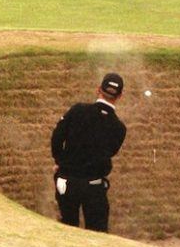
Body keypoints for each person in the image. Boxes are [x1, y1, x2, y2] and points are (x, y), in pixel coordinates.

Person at [50, 72, 127, 233]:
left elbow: (57, 137)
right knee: (98, 235)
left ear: (98, 89)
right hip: (94, 187)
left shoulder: (78, 110)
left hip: (66, 181)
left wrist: (60, 162)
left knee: (67, 230)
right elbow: (109, 152)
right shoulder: (119, 128)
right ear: (120, 96)